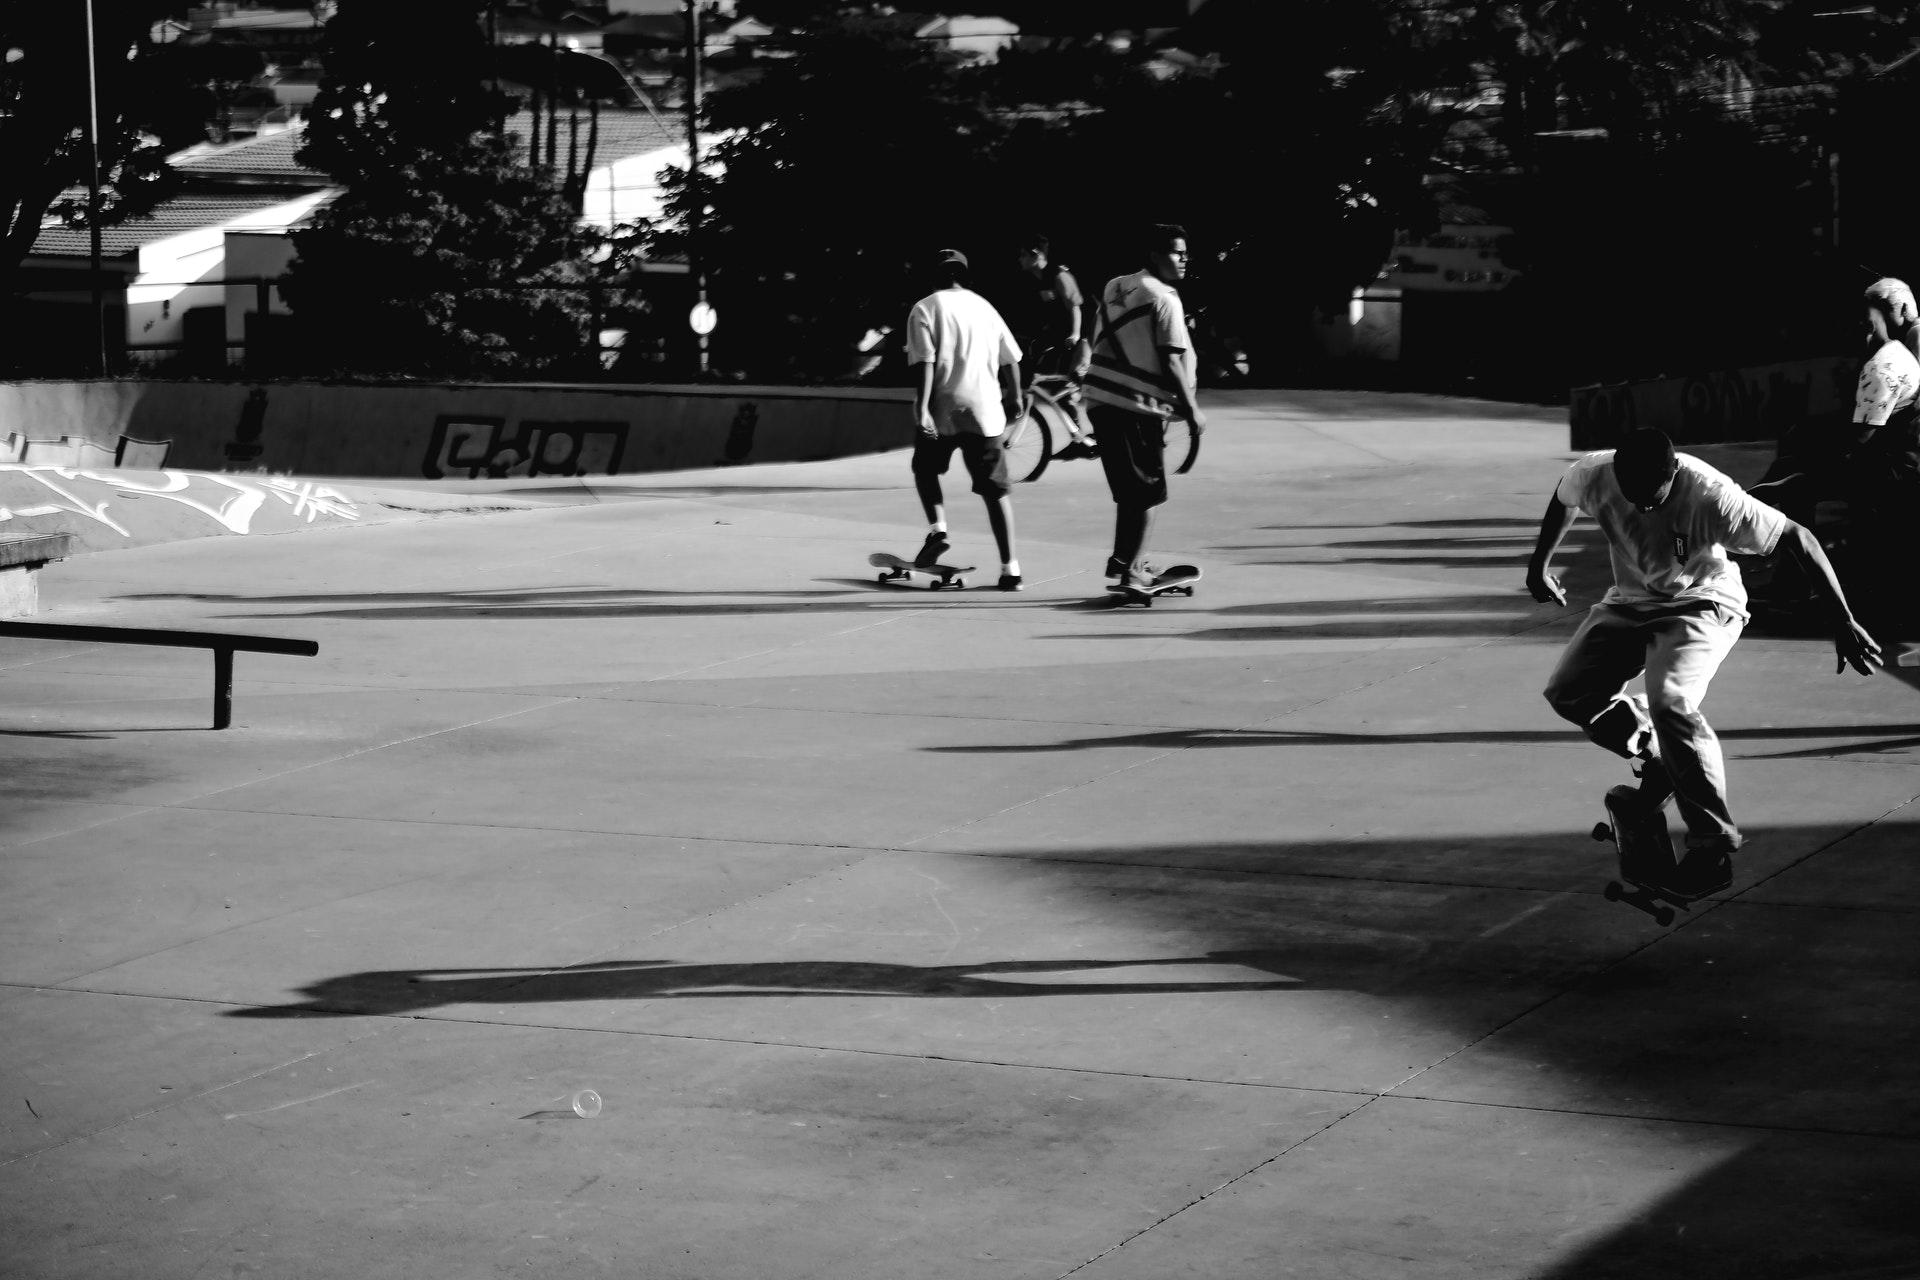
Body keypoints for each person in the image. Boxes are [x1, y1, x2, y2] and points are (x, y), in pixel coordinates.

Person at [1527, 427, 1882, 897]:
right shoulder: (1594, 473)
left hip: (1703, 602)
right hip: (1630, 601)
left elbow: (1799, 537)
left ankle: (1711, 849)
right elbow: (1562, 497)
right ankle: (1657, 755)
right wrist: (1539, 564)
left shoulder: (1713, 495)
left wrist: (1843, 621)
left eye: (1653, 498)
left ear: (1673, 472)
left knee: (1671, 699)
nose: (1644, 507)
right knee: (1568, 692)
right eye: (1633, 497)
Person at [1749, 278, 1920, 617]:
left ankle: (1794, 580)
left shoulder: (1882, 367)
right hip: (1897, 453)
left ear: (1866, 327)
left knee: (1796, 487)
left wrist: (1813, 469)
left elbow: (1862, 440)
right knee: (1795, 459)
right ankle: (1792, 570)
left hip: (1895, 467)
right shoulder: (1898, 351)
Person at [1083, 223, 1207, 591]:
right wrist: (1193, 411)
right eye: (1175, 252)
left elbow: (1098, 333)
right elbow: (1171, 361)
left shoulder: (1116, 285)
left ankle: (1124, 559)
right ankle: (1134, 569)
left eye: (1186, 252)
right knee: (1149, 492)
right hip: (1136, 405)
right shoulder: (1165, 299)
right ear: (1155, 255)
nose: (1184, 258)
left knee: (1127, 489)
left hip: (1099, 400)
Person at [904, 248, 1026, 591]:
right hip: (985, 410)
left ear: (934, 276)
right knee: (996, 491)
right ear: (964, 274)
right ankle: (1010, 569)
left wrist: (923, 407)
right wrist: (1015, 395)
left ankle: (939, 529)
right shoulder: (985, 307)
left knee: (925, 469)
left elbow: (926, 363)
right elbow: (1010, 357)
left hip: (944, 406)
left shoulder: (925, 308)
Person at [1004, 233, 1096, 458]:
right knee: (1057, 388)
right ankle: (1079, 439)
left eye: (1023, 255)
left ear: (1036, 255)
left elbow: (1075, 307)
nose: (1019, 259)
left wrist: (1075, 334)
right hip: (1063, 341)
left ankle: (1098, 436)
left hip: (1084, 338)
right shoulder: (1039, 278)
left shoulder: (1059, 275)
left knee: (1079, 384)